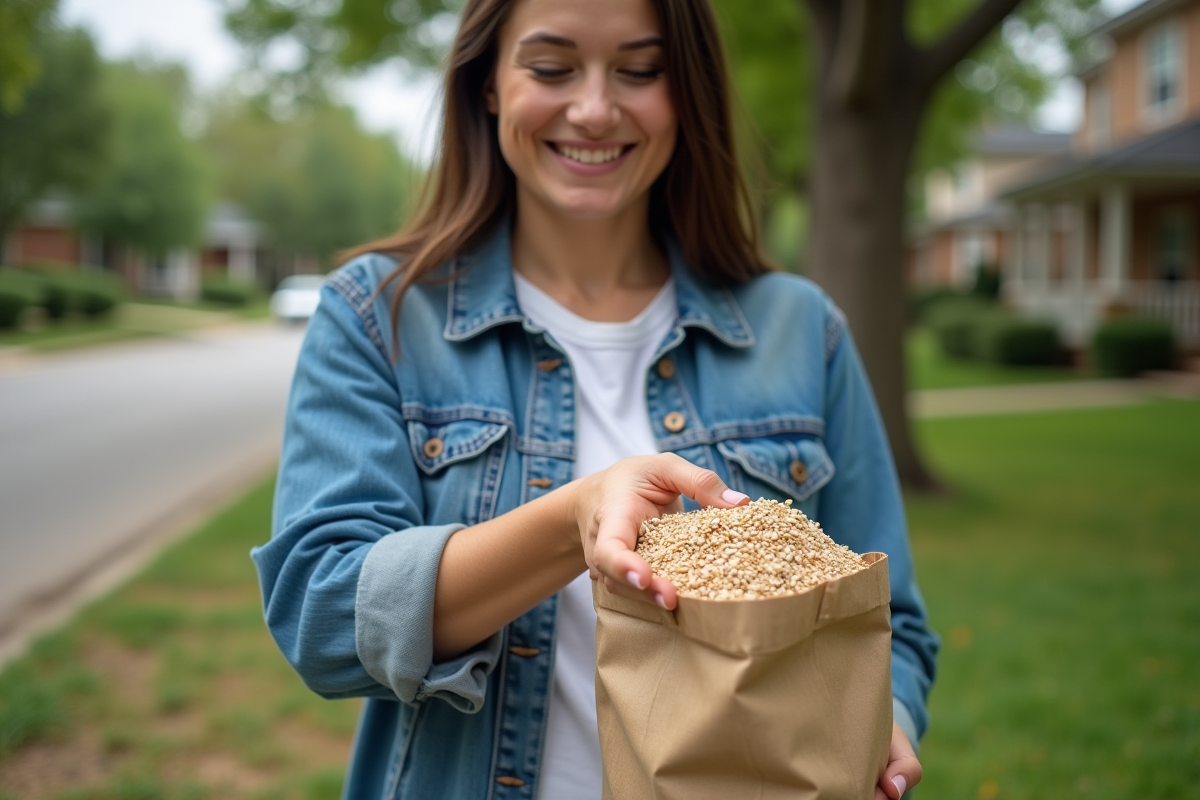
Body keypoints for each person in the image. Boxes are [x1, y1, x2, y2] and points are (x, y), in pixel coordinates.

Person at [252, 0, 938, 797]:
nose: (594, 109)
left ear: (686, 91)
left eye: (640, 71)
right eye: (552, 67)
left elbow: (890, 621)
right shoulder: (378, 314)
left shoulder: (801, 329)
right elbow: (323, 615)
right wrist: (575, 519)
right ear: (488, 84)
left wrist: (881, 714)